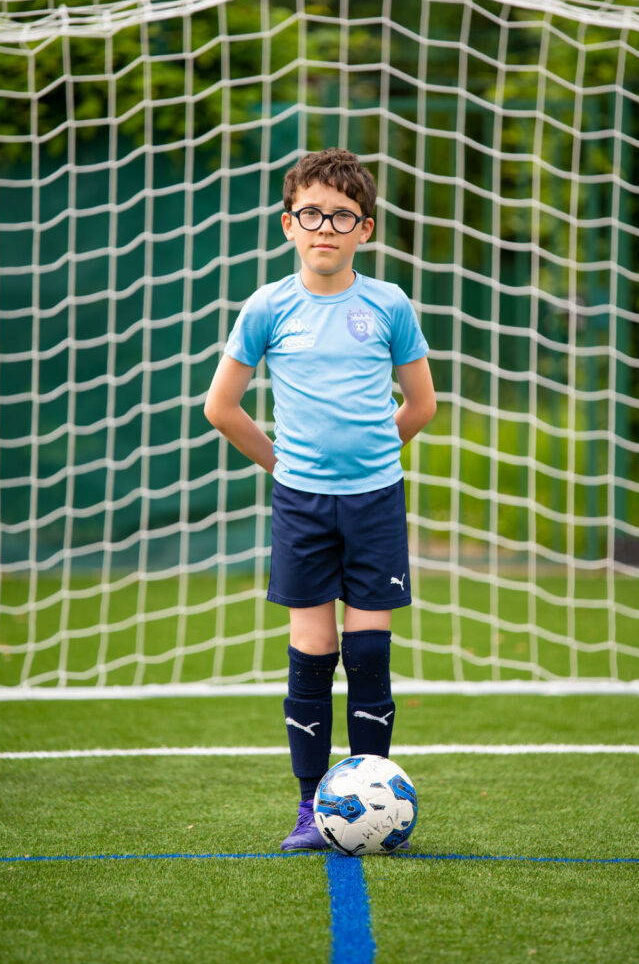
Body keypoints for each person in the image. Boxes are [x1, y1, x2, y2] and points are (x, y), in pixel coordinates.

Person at [204, 148, 436, 851]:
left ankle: (373, 801)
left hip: (373, 501)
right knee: (313, 649)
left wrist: (370, 452)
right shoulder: (269, 306)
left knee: (368, 654)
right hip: (301, 506)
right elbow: (222, 407)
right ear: (288, 224)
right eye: (311, 213)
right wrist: (287, 467)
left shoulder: (388, 304)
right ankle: (311, 811)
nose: (325, 227)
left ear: (365, 228)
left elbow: (421, 405)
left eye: (341, 215)